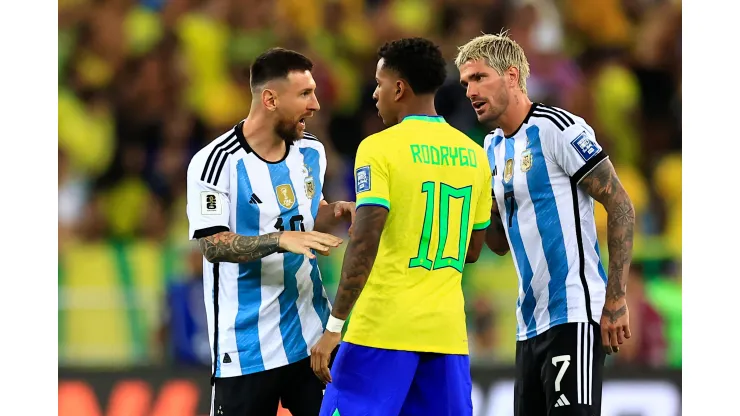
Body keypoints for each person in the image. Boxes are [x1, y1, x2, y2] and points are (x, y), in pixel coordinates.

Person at [454, 33, 636, 415]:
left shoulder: (557, 128)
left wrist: (616, 298)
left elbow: (619, 204)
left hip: (573, 312)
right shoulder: (491, 148)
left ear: (511, 76)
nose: (470, 90)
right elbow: (499, 244)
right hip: (528, 323)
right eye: (465, 82)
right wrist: (483, 201)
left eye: (479, 77)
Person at [310, 37, 493, 416]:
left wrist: (333, 327)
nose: (375, 95)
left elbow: (364, 241)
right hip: (446, 336)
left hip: (382, 330)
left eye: (378, 84)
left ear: (398, 88)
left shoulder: (379, 148)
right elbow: (471, 250)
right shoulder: (475, 155)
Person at [185, 47, 356, 416]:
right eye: (305, 95)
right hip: (245, 347)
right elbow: (213, 245)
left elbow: (306, 216)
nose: (316, 105)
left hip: (312, 337)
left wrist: (336, 212)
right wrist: (280, 241)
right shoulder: (215, 162)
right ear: (270, 99)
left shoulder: (312, 151)